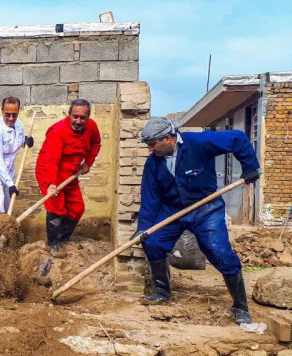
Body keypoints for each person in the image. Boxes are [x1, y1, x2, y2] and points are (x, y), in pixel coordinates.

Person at [131, 117, 261, 325]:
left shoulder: (199, 143)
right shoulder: (153, 163)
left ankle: (240, 306)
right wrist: (143, 229)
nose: (149, 149)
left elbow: (237, 137)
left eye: (152, 144)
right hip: (172, 210)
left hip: (206, 209)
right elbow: (150, 198)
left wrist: (250, 167)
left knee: (220, 252)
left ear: (168, 138)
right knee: (153, 243)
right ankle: (162, 292)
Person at [35, 99, 101, 251]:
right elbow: (52, 160)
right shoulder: (57, 131)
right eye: (75, 116)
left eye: (82, 117)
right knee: (56, 207)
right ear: (69, 114)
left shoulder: (91, 126)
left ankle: (63, 239)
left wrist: (88, 163)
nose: (78, 121)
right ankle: (52, 243)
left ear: (88, 117)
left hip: (71, 172)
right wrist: (52, 183)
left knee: (77, 207)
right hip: (50, 171)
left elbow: (96, 144)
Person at [0, 97, 34, 252]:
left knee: (6, 208)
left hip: (8, 170)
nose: (11, 118)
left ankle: (2, 244)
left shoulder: (19, 125)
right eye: (7, 115)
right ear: (2, 111)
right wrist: (10, 183)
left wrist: (26, 140)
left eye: (14, 115)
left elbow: (15, 142)